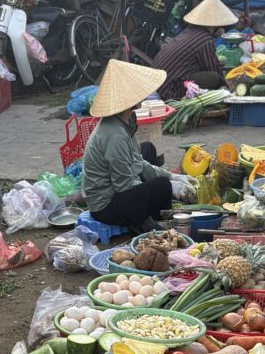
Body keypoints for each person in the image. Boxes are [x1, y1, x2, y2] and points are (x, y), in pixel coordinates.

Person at [81, 60, 195, 232]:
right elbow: (123, 186)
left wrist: (174, 177)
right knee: (161, 186)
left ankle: (151, 209)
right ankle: (142, 221)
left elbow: (138, 162)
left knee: (149, 150)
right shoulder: (115, 134)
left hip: (117, 190)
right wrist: (167, 186)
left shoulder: (126, 120)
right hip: (105, 205)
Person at [152, 0, 237, 99]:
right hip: (170, 89)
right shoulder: (205, 39)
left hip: (156, 84)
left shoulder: (188, 31)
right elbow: (213, 70)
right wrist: (229, 88)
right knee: (214, 78)